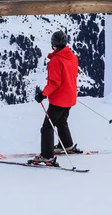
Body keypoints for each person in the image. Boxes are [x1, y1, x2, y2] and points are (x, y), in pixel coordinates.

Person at [30, 30, 80, 166]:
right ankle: (67, 144)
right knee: (61, 121)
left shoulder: (56, 61)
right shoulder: (73, 57)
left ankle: (47, 156)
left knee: (47, 127)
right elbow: (71, 76)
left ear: (54, 45)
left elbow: (54, 83)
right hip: (70, 97)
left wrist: (42, 94)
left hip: (59, 100)